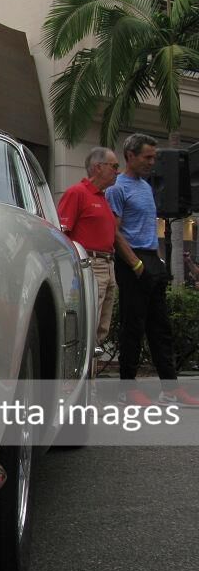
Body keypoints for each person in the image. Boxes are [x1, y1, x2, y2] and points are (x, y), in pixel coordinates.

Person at [106, 133, 198, 406]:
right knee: (133, 327)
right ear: (130, 156)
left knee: (161, 328)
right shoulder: (116, 188)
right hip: (131, 261)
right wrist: (135, 264)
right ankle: (127, 389)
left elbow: (147, 230)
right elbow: (114, 232)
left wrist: (156, 262)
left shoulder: (146, 187)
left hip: (150, 259)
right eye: (147, 157)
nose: (151, 162)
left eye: (154, 158)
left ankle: (170, 389)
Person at [57, 147, 119, 350]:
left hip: (107, 265)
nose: (117, 171)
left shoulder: (101, 197)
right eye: (114, 166)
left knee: (100, 328)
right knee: (89, 325)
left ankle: (91, 365)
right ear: (98, 167)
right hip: (90, 264)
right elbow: (61, 233)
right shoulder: (77, 193)